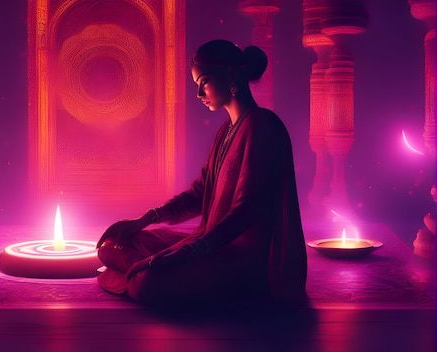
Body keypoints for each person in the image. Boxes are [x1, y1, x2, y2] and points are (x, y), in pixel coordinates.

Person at [96, 39, 308, 309]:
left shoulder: (263, 125)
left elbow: (247, 210)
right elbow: (199, 194)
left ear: (231, 76)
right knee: (113, 245)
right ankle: (139, 269)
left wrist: (188, 253)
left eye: (204, 81)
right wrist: (143, 220)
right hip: (206, 241)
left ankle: (138, 273)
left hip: (239, 257)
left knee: (146, 284)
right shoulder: (225, 131)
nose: (198, 93)